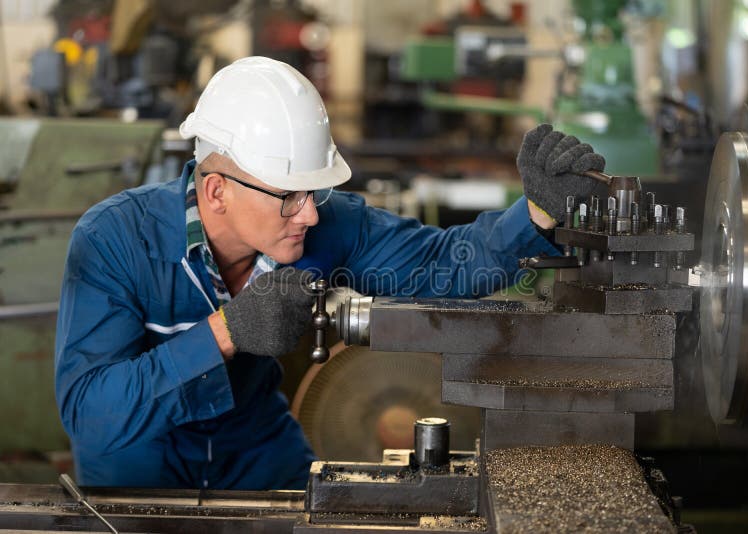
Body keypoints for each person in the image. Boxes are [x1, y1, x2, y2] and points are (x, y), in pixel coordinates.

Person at [54, 56, 605, 490]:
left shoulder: (325, 226)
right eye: (289, 196)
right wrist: (225, 333)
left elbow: (444, 265)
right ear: (216, 189)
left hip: (258, 454)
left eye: (315, 192)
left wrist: (538, 213)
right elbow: (90, 412)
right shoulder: (114, 241)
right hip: (139, 473)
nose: (310, 213)